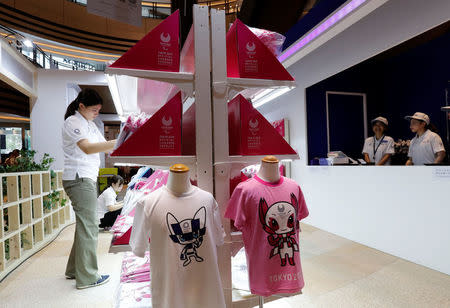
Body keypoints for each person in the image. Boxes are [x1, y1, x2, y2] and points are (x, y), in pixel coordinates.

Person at [61, 88, 116, 289]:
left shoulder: (90, 124)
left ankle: (74, 270)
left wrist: (123, 143)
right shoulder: (72, 122)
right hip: (78, 177)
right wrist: (119, 141)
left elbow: (107, 146)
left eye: (99, 110)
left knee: (85, 224)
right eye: (94, 110)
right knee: (90, 225)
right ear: (82, 106)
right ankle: (88, 277)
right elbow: (87, 148)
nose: (96, 113)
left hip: (86, 178)